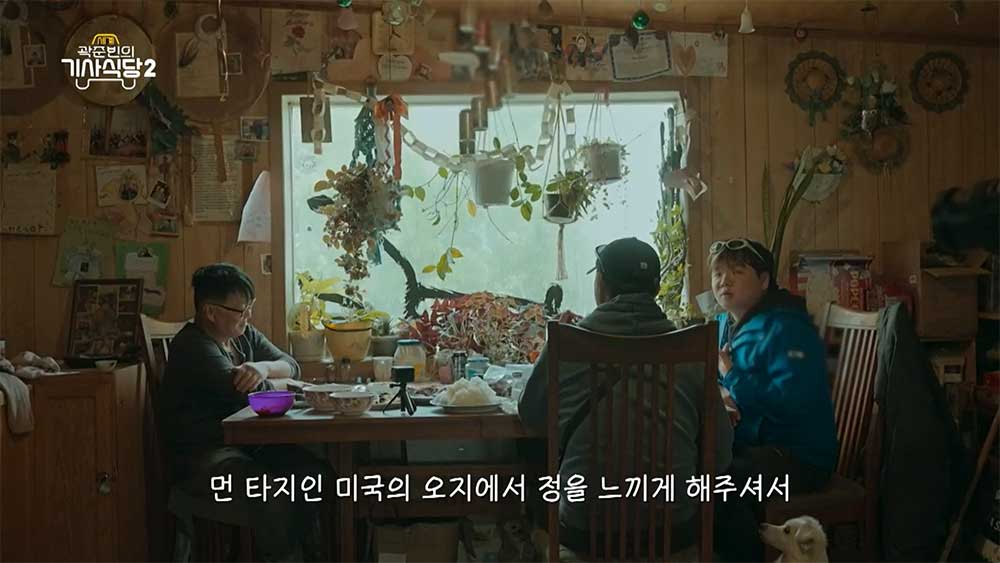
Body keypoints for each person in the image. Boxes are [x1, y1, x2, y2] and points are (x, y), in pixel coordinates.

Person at [518, 237, 733, 557]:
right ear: (656, 289)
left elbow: (532, 417)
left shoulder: (568, 344)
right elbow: (720, 454)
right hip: (674, 536)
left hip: (586, 535)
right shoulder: (691, 350)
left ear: (601, 286)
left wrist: (552, 347)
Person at [159, 263, 329, 561]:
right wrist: (276, 381)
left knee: (316, 476)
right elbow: (249, 393)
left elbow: (291, 365)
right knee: (272, 495)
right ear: (210, 312)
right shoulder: (193, 346)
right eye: (241, 310)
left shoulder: (242, 335)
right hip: (204, 460)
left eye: (250, 307)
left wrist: (262, 367)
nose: (248, 315)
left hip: (247, 448)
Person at [708, 239, 838, 562]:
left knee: (720, 485)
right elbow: (725, 385)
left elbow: (790, 403)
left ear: (764, 280)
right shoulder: (726, 324)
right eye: (718, 273)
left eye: (737, 272)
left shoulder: (787, 327)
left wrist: (731, 375)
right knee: (700, 465)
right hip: (757, 445)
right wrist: (725, 394)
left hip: (798, 458)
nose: (724, 281)